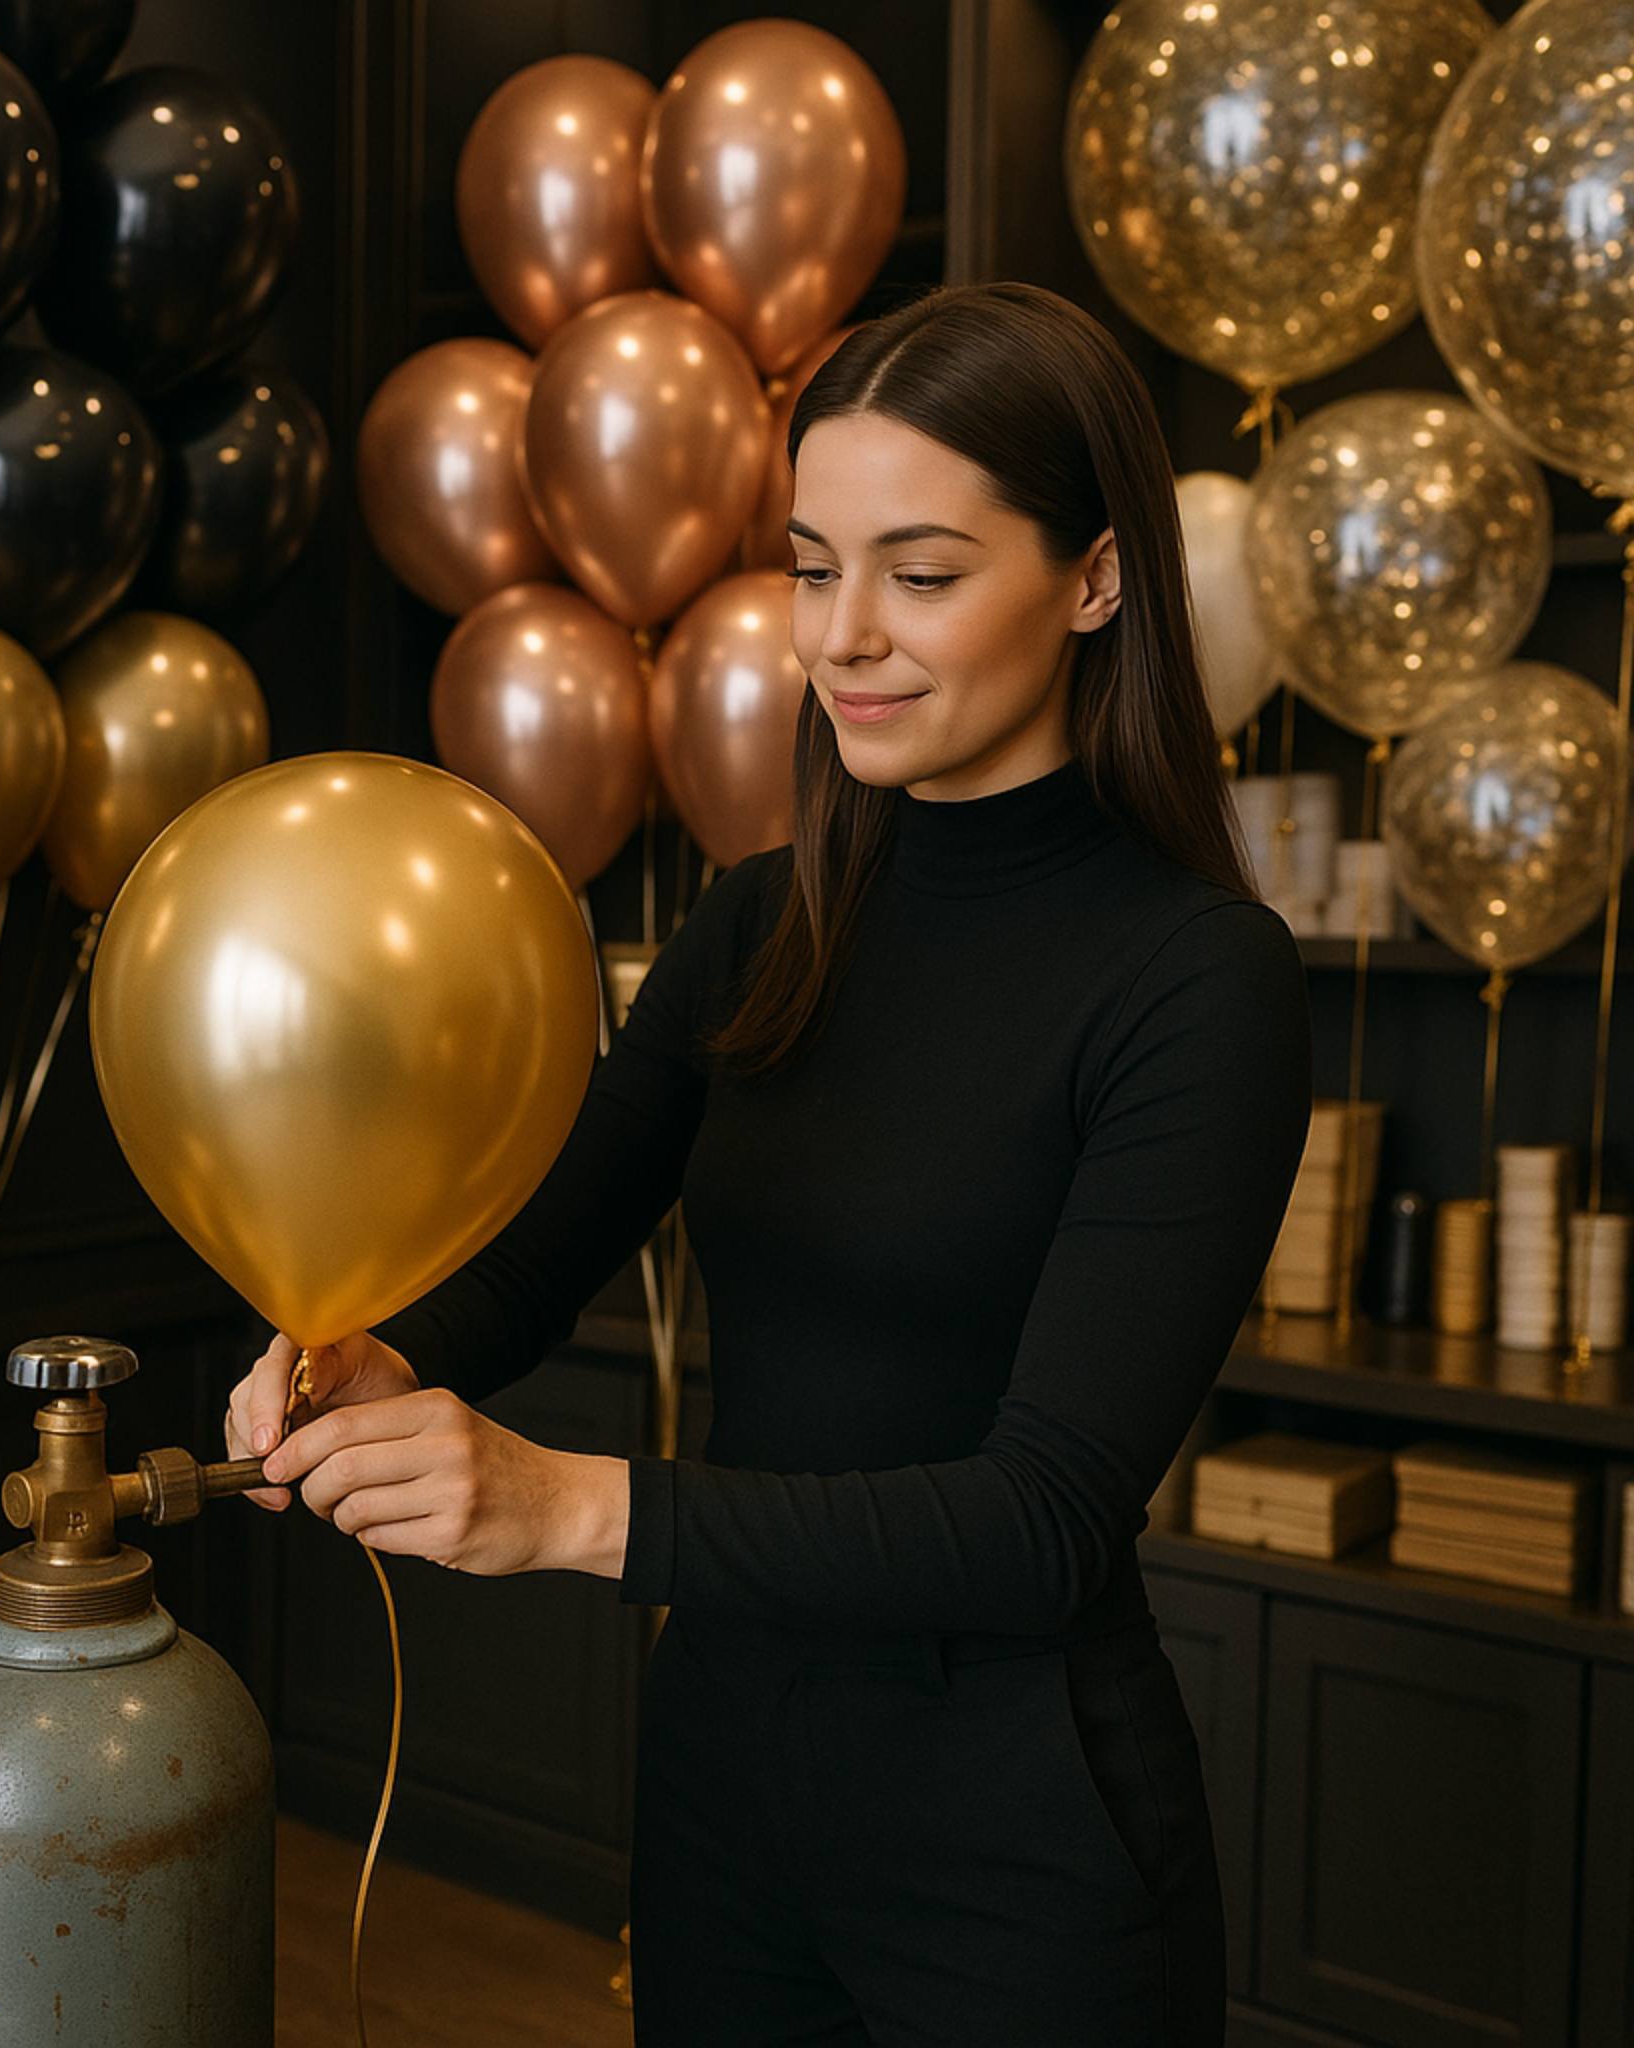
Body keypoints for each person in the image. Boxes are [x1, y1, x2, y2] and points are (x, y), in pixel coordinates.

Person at [225, 279, 1312, 2045]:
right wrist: (371, 1355)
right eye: (814, 564)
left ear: (1097, 579)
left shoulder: (1200, 981)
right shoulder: (759, 924)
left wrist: (566, 1507)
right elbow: (532, 1258)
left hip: (1015, 1841)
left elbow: (1040, 1522)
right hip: (726, 1786)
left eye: (927, 572)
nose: (845, 635)